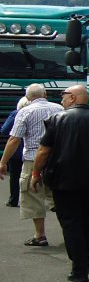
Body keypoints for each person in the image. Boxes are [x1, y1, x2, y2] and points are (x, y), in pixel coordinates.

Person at [32, 84, 89, 282]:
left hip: (63, 180)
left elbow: (44, 150)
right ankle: (85, 260)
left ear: (72, 97)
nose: (61, 100)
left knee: (70, 223)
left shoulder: (56, 119)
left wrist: (36, 173)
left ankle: (79, 268)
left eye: (63, 96)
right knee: (88, 220)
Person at [0, 85, 64, 247]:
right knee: (59, 196)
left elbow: (14, 139)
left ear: (27, 98)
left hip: (32, 159)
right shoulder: (60, 108)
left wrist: (3, 161)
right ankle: (69, 231)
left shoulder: (25, 111)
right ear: (45, 94)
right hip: (58, 159)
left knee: (32, 195)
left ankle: (40, 235)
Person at [0, 96, 28, 207]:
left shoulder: (16, 113)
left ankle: (14, 199)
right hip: (34, 150)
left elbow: (5, 130)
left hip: (17, 150)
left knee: (15, 175)